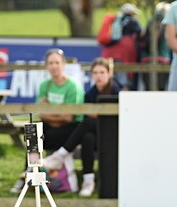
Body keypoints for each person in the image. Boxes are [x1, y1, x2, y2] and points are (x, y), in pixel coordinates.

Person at [42, 57, 122, 197]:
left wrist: (96, 115)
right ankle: (88, 181)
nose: (99, 76)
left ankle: (61, 155)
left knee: (86, 125)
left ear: (109, 74)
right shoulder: (90, 93)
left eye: (102, 72)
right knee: (87, 137)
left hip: (113, 136)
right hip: (96, 136)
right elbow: (88, 115)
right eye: (96, 73)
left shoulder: (116, 91)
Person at [11, 48, 84, 193]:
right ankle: (29, 175)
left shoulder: (73, 87)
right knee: (33, 132)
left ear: (63, 64)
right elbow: (41, 113)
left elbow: (68, 118)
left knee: (40, 136)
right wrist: (55, 115)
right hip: (50, 127)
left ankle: (33, 173)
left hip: (69, 131)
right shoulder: (45, 85)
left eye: (57, 62)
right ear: (46, 66)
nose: (54, 66)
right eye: (51, 63)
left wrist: (50, 113)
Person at [97, 3, 142, 87]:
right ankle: (124, 98)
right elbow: (140, 32)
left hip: (108, 54)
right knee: (124, 80)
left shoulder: (114, 20)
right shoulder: (132, 21)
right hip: (124, 55)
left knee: (111, 79)